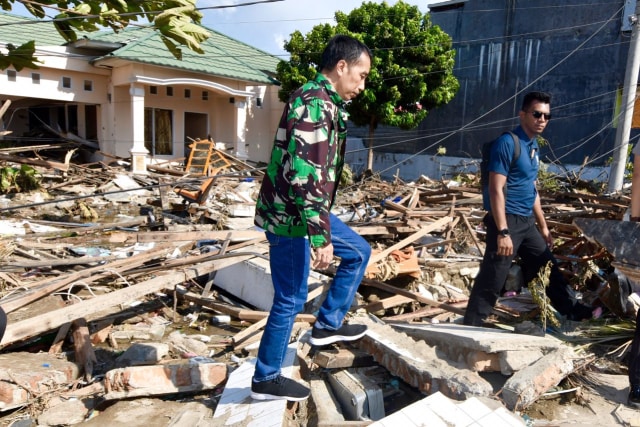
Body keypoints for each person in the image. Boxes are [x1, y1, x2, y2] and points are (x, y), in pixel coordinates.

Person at [250, 35, 373, 402]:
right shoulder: (315, 104)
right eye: (361, 75)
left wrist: (319, 224)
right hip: (290, 217)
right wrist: (320, 236)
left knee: (358, 252)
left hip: (303, 210)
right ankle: (266, 377)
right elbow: (306, 174)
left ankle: (326, 326)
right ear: (341, 67)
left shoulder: (324, 102)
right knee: (290, 297)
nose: (362, 85)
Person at [464, 91, 598, 326]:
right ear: (522, 114)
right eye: (537, 114)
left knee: (546, 265)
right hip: (506, 219)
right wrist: (503, 231)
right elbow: (496, 189)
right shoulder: (507, 143)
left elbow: (532, 189)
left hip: (526, 222)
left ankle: (573, 310)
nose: (542, 120)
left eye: (547, 116)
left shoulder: (533, 146)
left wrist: (544, 227)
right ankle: (473, 323)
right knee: (494, 275)